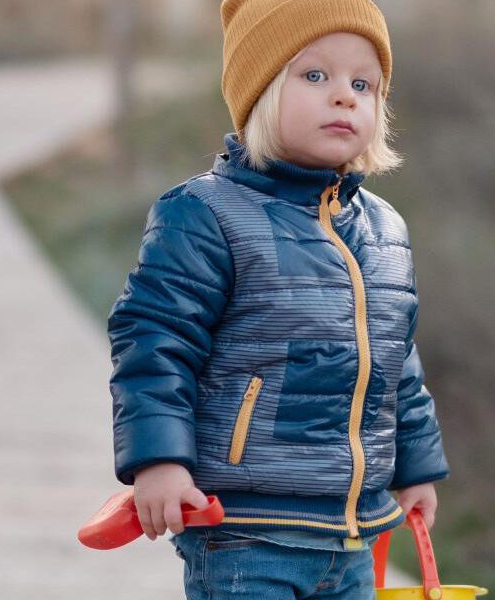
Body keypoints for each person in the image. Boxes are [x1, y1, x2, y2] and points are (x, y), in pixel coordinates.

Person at [107, 0, 450, 597]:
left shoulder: (384, 230)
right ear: (260, 92)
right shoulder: (206, 215)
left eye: (362, 83)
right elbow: (156, 343)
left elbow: (397, 363)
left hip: (352, 534)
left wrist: (416, 467)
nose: (344, 95)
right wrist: (158, 460)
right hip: (246, 533)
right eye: (315, 75)